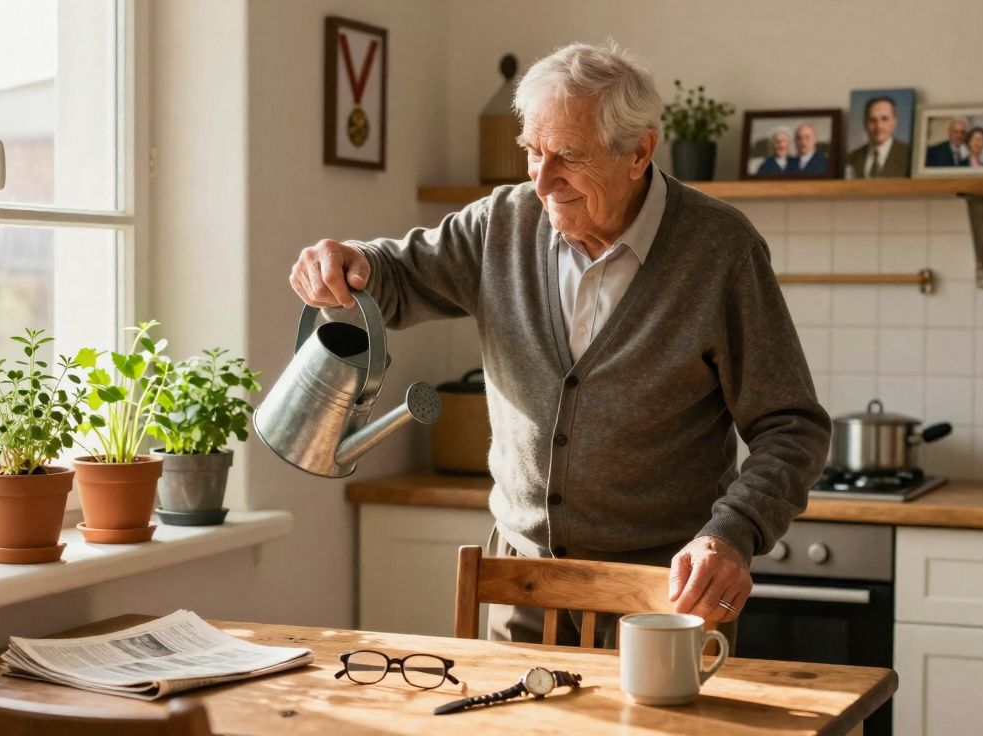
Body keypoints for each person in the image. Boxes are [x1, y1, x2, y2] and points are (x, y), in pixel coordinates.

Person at [288, 41, 830, 648]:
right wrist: (350, 261)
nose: (542, 181)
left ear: (639, 152)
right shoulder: (503, 222)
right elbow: (397, 274)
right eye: (531, 152)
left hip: (662, 593)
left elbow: (792, 425)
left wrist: (730, 536)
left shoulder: (721, 251)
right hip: (520, 582)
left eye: (567, 155)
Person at [846, 95, 910, 178]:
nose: (878, 126)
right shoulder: (852, 158)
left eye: (884, 119)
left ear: (894, 122)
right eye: (872, 120)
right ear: (865, 123)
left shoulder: (909, 155)